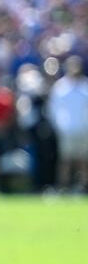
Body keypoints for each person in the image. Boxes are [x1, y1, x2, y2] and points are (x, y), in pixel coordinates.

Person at [49, 56, 88, 191]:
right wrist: (59, 125)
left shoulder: (85, 85)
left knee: (83, 159)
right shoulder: (61, 86)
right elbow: (53, 109)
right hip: (66, 129)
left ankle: (82, 186)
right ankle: (63, 187)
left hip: (83, 129)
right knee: (65, 159)